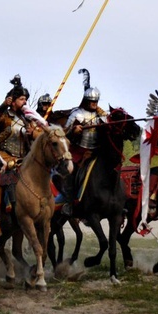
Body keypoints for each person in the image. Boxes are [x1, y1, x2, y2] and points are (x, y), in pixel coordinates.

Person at [0, 75, 36, 236]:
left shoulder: (26, 118)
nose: (25, 102)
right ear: (13, 100)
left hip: (23, 158)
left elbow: (34, 137)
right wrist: (3, 104)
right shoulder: (5, 116)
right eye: (22, 99)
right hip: (4, 156)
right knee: (3, 179)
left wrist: (32, 133)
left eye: (25, 99)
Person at [61, 77, 107, 215]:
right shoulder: (77, 114)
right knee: (71, 172)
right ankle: (69, 203)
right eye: (92, 101)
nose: (94, 104)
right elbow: (65, 133)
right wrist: (74, 131)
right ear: (86, 101)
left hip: (96, 151)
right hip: (78, 150)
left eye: (96, 101)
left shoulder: (101, 115)